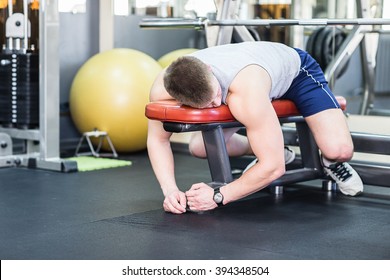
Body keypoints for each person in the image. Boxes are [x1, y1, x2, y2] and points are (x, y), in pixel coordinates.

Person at [147, 41, 363, 214]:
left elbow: (274, 168)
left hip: (297, 74)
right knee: (200, 148)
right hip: (253, 82)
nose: (215, 105)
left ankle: (330, 163)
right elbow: (158, 139)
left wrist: (218, 196)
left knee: (339, 150)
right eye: (205, 105)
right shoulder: (163, 87)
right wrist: (170, 190)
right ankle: (271, 149)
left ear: (209, 70)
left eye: (215, 96)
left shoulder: (245, 91)